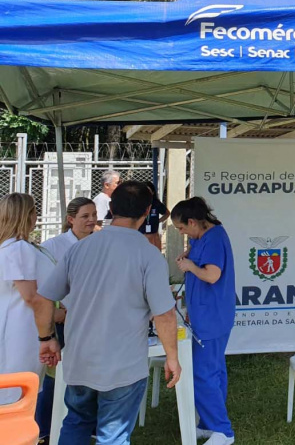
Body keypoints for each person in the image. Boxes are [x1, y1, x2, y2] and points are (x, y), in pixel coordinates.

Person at [33, 181, 181, 444]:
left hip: (80, 359)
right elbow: (165, 314)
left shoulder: (79, 248)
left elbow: (44, 298)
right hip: (123, 367)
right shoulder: (149, 256)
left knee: (76, 423)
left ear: (111, 208)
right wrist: (172, 356)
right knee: (112, 435)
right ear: (147, 212)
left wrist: (47, 339)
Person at [173, 197, 236, 445]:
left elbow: (212, 275)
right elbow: (198, 253)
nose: (182, 233)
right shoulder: (203, 235)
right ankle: (210, 423)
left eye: (181, 228)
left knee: (202, 373)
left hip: (212, 314)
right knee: (214, 369)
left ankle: (223, 431)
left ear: (192, 221)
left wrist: (189, 266)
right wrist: (189, 253)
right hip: (207, 313)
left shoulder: (215, 238)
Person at [35, 197, 97, 438]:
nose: (92, 220)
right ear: (71, 220)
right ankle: (45, 429)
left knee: (90, 375)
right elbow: (45, 287)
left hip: (92, 320)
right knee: (56, 376)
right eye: (85, 216)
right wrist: (57, 313)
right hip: (64, 321)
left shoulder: (100, 243)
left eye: (94, 214)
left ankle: (90, 425)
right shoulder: (54, 246)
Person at [0, 193, 59, 405]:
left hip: (18, 329)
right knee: (18, 397)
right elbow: (33, 298)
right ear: (27, 215)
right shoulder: (18, 248)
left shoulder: (10, 247)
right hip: (21, 333)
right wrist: (47, 337)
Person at [141, 182, 170, 250]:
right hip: (142, 234)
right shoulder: (138, 204)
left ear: (153, 192)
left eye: (148, 191)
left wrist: (158, 221)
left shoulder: (156, 203)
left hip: (153, 234)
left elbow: (167, 213)